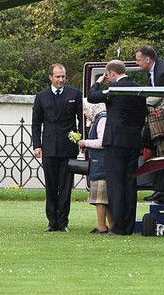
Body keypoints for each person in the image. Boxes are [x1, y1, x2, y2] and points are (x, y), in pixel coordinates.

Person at [87, 60, 147, 235]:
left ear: (111, 73)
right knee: (130, 184)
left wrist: (99, 82)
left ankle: (118, 227)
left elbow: (91, 97)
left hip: (115, 142)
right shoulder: (138, 89)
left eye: (109, 75)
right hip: (133, 141)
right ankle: (128, 226)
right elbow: (142, 114)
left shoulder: (113, 90)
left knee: (116, 184)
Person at [32, 63, 84, 232]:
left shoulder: (74, 94)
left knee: (66, 187)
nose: (61, 79)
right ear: (50, 77)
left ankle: (63, 222)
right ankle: (51, 222)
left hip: (68, 148)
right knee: (51, 186)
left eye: (63, 76)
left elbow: (81, 119)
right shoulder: (41, 96)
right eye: (58, 77)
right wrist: (37, 145)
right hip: (49, 148)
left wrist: (80, 139)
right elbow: (36, 123)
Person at [134, 45, 164, 204]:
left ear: (147, 59)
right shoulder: (154, 71)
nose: (137, 63)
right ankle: (159, 190)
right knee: (158, 155)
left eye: (138, 60)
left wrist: (140, 100)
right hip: (158, 120)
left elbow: (162, 97)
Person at [78, 101, 113, 234]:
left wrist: (85, 142)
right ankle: (112, 225)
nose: (85, 113)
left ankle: (102, 227)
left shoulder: (102, 119)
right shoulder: (98, 119)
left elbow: (102, 142)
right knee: (103, 199)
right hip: (98, 163)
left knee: (100, 199)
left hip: (101, 165)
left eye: (86, 110)